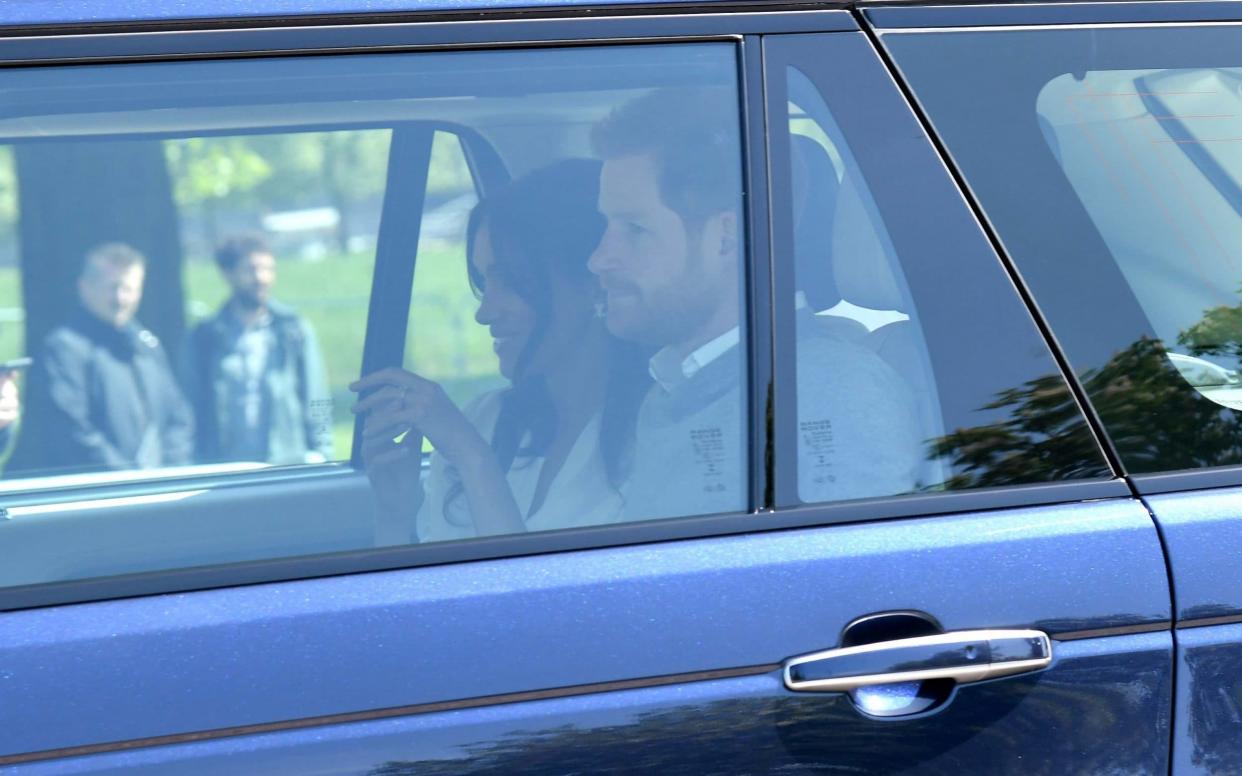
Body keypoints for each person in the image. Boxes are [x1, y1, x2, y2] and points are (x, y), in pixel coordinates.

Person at [587, 88, 921, 520]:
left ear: (726, 235)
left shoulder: (829, 398)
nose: (598, 259)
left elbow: (851, 579)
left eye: (634, 228)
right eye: (606, 225)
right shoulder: (673, 391)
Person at [350, 160, 647, 545]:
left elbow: (527, 599)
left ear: (592, 281)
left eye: (508, 279)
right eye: (483, 281)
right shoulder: (483, 420)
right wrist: (394, 517)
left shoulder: (654, 432)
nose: (484, 311)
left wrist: (473, 459)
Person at [11, 242, 193, 474]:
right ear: (85, 288)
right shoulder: (64, 349)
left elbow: (178, 417)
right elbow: (72, 432)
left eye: (130, 289)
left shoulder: (147, 345)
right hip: (97, 495)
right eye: (113, 288)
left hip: (157, 490)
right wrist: (128, 480)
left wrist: (171, 472)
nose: (121, 298)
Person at [181, 233, 332, 465]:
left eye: (268, 269)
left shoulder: (293, 330)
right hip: (226, 470)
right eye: (251, 269)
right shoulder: (207, 336)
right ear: (227, 273)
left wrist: (323, 451)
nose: (261, 278)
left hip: (286, 465)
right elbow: (191, 404)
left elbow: (317, 397)